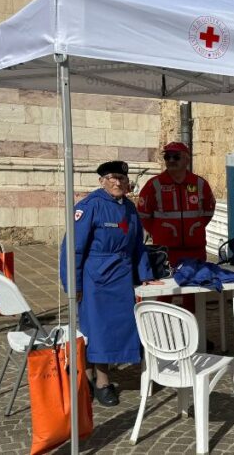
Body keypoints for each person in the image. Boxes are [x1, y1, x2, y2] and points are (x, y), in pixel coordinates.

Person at [59, 161, 162, 407]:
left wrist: (145, 274)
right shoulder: (89, 207)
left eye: (122, 178)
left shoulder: (129, 208)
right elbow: (73, 249)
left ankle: (93, 377)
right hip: (96, 281)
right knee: (98, 331)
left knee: (116, 330)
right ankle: (99, 381)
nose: (117, 182)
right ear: (101, 181)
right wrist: (73, 285)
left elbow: (137, 244)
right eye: (112, 178)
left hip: (122, 279)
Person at [136, 142, 216, 268]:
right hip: (166, 251)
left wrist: (194, 228)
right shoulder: (153, 185)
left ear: (187, 160)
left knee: (199, 285)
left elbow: (208, 213)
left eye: (176, 157)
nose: (171, 160)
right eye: (167, 157)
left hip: (195, 250)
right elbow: (144, 216)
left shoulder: (200, 184)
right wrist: (160, 231)